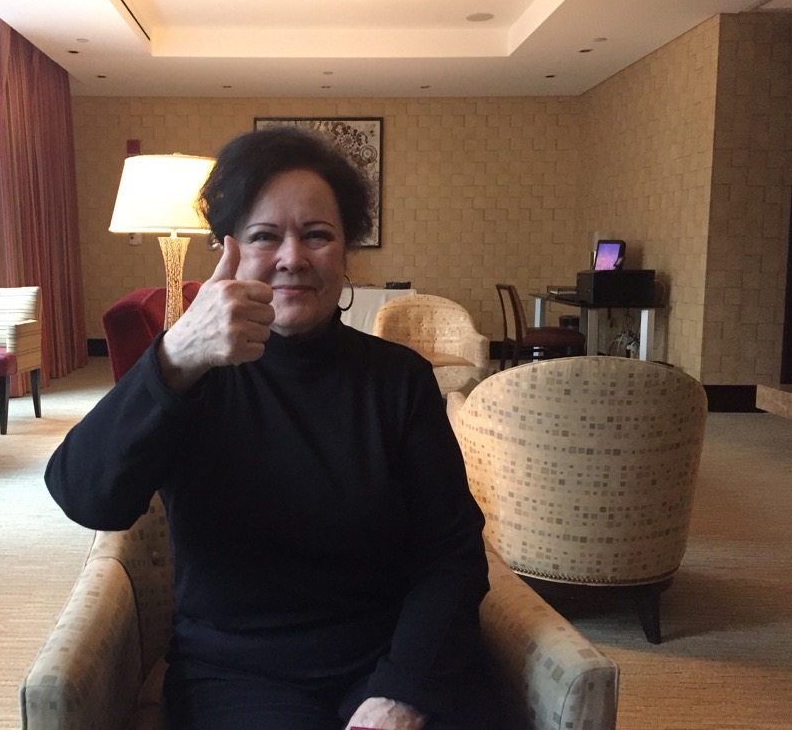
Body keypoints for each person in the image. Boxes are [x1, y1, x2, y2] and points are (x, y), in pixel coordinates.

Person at [45, 127, 496, 729]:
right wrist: (175, 355)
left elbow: (452, 552)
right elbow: (86, 495)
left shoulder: (398, 379)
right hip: (237, 674)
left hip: (385, 658)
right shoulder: (188, 375)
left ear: (345, 255)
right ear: (227, 251)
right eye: (264, 236)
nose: (292, 257)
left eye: (317, 235)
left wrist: (401, 693)